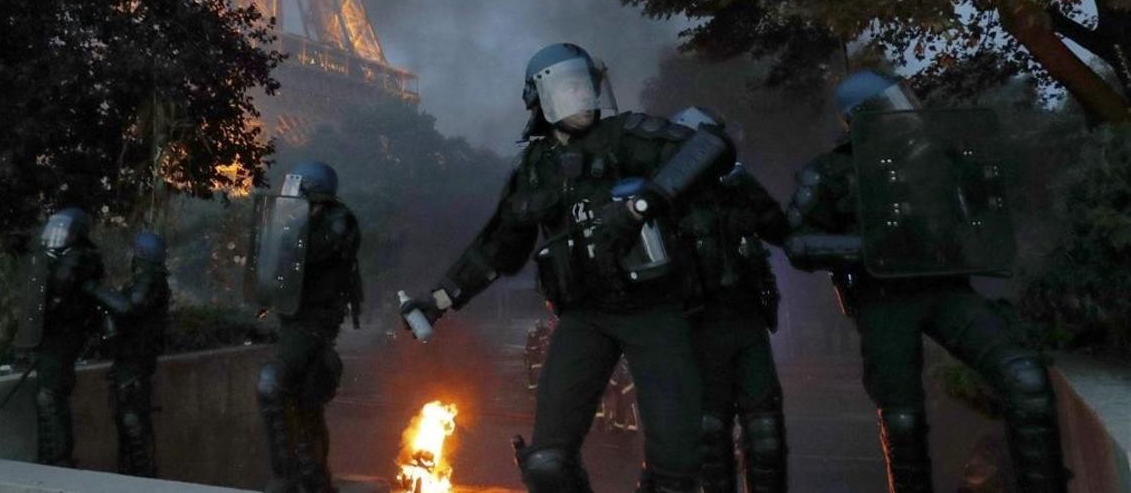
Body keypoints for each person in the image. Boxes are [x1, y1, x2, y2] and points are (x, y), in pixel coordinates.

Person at [401, 43, 735, 493]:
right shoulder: (536, 168)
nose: (579, 96)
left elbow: (713, 147)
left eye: (584, 85)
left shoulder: (627, 135)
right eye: (568, 87)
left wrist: (644, 202)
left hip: (654, 312)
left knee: (677, 469)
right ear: (540, 99)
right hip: (584, 318)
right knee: (546, 464)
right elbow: (497, 246)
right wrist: (438, 299)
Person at [784, 70, 1067, 493]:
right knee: (902, 418)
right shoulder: (830, 172)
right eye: (890, 102)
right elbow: (798, 242)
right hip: (882, 299)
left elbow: (984, 203)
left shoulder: (938, 154)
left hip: (945, 288)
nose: (905, 107)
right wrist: (871, 246)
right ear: (864, 116)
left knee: (1024, 377)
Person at [671, 107, 789, 493]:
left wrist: (751, 192)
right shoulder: (667, 198)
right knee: (709, 434)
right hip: (697, 326)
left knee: (766, 433)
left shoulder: (739, 188)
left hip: (748, 320)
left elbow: (780, 230)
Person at [251, 161, 362, 493]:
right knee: (304, 401)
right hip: (295, 320)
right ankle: (313, 479)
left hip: (315, 323)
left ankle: (284, 477)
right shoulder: (301, 219)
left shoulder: (339, 221)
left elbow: (308, 253)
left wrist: (300, 223)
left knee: (272, 383)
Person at [14, 207, 113, 467]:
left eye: (63, 229)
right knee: (46, 396)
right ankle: (49, 457)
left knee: (51, 395)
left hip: (66, 336)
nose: (57, 233)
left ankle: (59, 459)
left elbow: (61, 287)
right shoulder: (53, 257)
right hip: (50, 335)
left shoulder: (80, 258)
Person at [101, 231, 171, 477]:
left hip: (135, 364)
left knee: (134, 425)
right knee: (128, 426)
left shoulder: (150, 280)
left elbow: (128, 306)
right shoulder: (148, 280)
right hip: (129, 361)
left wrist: (95, 290)